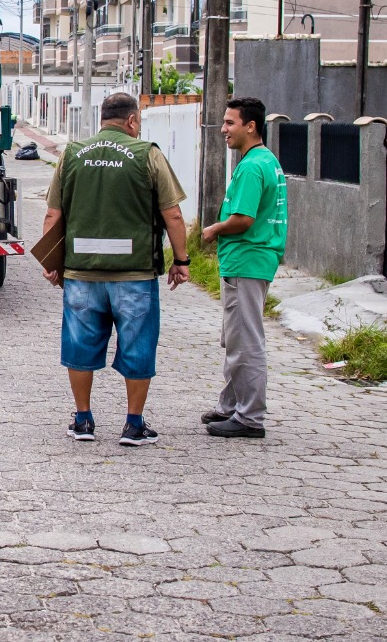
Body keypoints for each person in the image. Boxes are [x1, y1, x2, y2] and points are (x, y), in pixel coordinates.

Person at [42, 92, 191, 446]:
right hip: (134, 275)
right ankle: (134, 425)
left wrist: (52, 264)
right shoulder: (147, 155)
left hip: (81, 274)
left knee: (79, 347)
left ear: (101, 119)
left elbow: (52, 214)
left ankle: (82, 421)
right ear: (132, 121)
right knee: (137, 347)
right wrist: (181, 261)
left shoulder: (72, 155)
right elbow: (172, 213)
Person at [200, 97, 288, 439]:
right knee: (234, 336)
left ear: (250, 126)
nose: (223, 129)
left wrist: (213, 229)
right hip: (252, 261)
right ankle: (229, 406)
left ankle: (249, 417)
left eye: (229, 123)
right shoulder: (265, 160)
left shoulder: (252, 166)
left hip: (248, 260)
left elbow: (243, 219)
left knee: (246, 340)